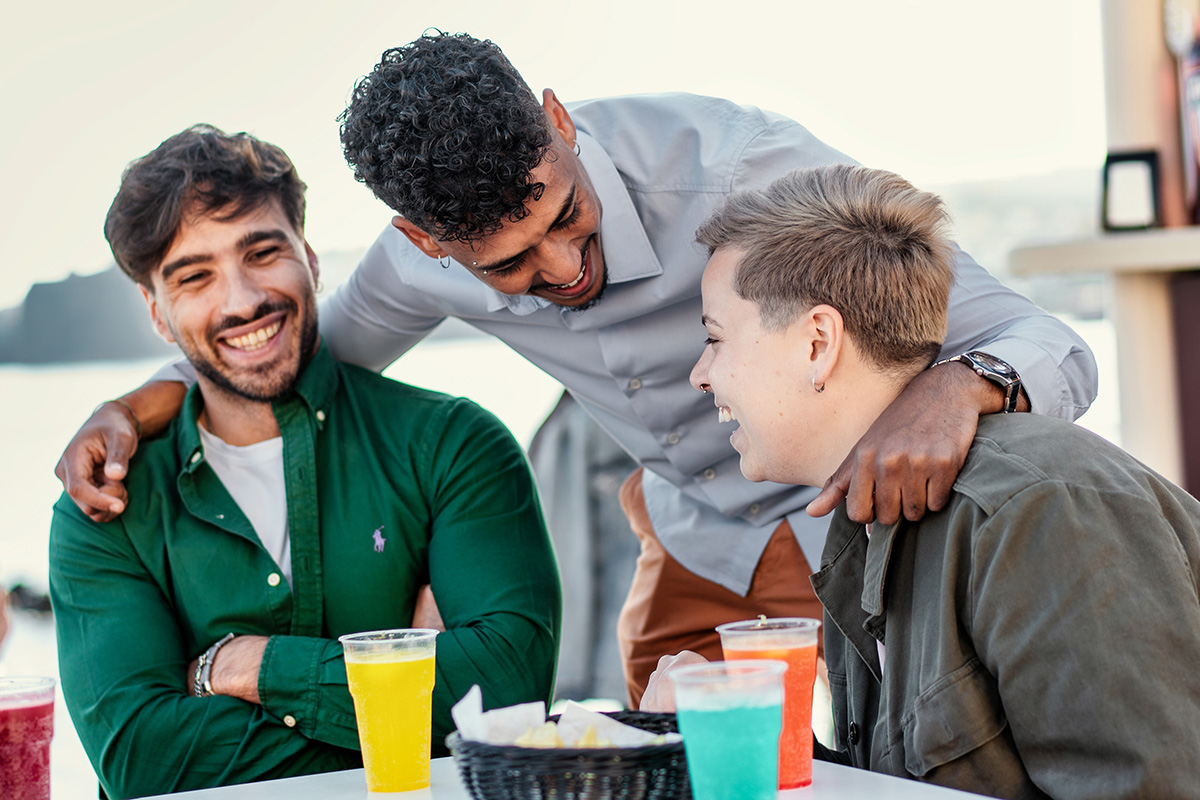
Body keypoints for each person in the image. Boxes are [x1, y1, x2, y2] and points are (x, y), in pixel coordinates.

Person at [54, 32, 1097, 707]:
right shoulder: (410, 270)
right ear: (424, 242)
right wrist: (136, 405)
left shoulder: (748, 169)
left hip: (868, 514)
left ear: (558, 122)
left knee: (916, 758)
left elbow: (1051, 341)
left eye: (566, 217)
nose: (563, 270)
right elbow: (290, 361)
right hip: (697, 537)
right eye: (508, 267)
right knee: (652, 769)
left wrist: (959, 384)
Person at [653, 163, 1200, 797]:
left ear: (817, 344)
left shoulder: (1037, 511)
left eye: (715, 339)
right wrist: (729, 735)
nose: (700, 375)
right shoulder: (869, 516)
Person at [48, 125, 561, 800]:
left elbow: (506, 697)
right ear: (157, 314)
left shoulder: (454, 445)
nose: (241, 300)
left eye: (262, 252)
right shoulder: (106, 503)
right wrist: (402, 698)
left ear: (310, 259)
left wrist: (254, 669)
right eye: (195, 276)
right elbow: (143, 759)